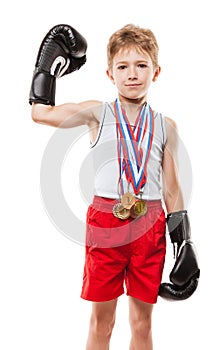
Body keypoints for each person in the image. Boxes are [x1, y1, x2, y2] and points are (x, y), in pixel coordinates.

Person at [29, 23, 200, 350]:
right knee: (101, 321)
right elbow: (40, 114)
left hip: (150, 224)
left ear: (156, 71)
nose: (132, 74)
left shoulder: (166, 126)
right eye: (122, 67)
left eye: (141, 65)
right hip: (106, 222)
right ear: (110, 74)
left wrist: (184, 243)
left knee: (142, 324)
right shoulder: (98, 114)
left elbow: (172, 189)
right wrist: (45, 71)